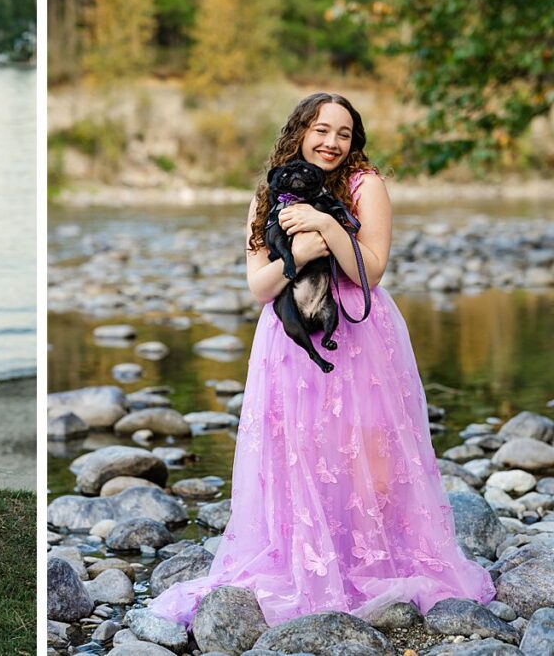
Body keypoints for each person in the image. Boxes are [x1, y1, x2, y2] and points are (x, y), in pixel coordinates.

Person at [149, 93, 495, 626]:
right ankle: (307, 559)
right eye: (321, 130)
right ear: (300, 131)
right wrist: (303, 254)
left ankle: (371, 560)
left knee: (366, 448)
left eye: (344, 133)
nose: (332, 142)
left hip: (359, 334)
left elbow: (371, 271)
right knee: (300, 448)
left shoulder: (365, 185)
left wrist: (327, 228)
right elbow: (259, 286)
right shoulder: (269, 192)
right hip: (289, 340)